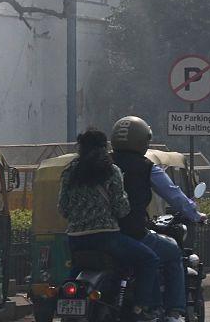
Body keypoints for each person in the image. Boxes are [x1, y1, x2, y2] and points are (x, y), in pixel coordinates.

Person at [110, 116, 206, 322]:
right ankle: (173, 312)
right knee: (171, 251)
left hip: (99, 234)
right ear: (142, 140)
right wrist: (195, 215)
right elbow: (173, 194)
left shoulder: (103, 164)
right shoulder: (145, 167)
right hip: (132, 233)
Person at [58, 129, 160, 321]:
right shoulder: (111, 171)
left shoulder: (69, 173)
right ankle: (141, 308)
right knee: (149, 259)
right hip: (106, 239)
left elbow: (62, 209)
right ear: (104, 148)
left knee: (72, 279)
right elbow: (122, 208)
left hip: (75, 241)